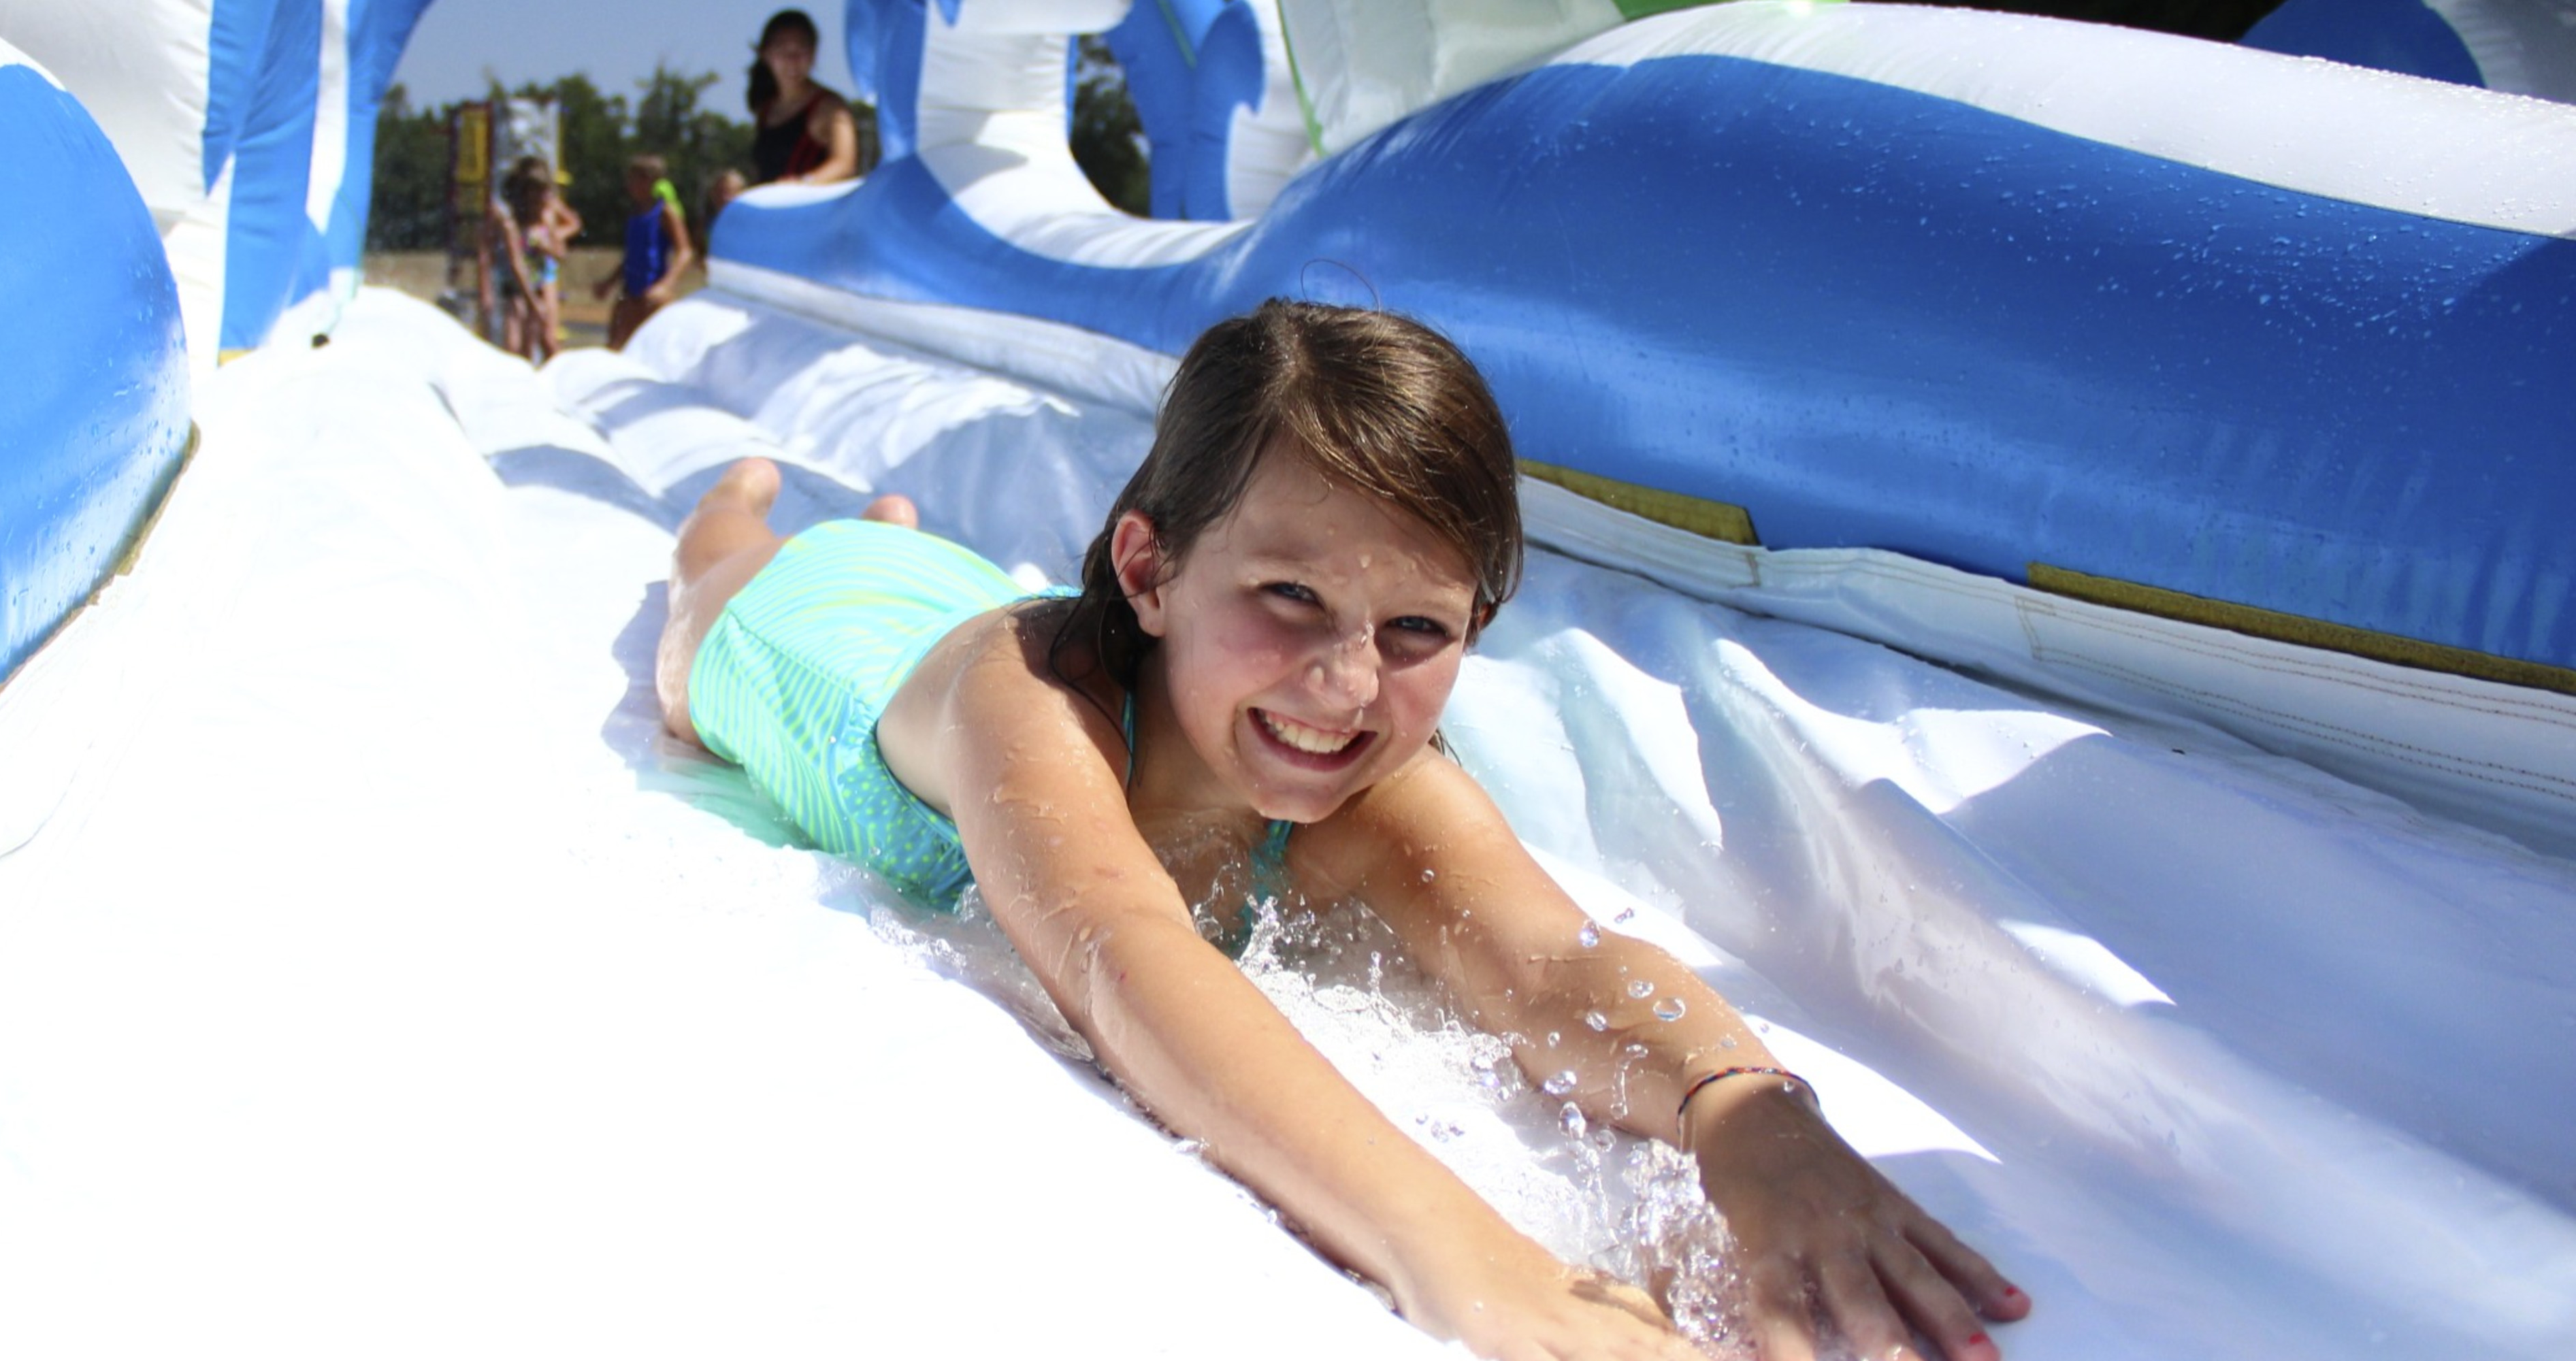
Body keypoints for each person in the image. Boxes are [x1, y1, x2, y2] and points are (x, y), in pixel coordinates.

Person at [654, 301, 2030, 1361]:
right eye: (1290, 597)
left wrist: (1740, 1108)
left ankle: (898, 531)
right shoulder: (1030, 704)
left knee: (928, 567)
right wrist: (1458, 1249)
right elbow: (1125, 951)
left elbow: (1552, 964)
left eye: (1416, 627)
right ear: (1149, 569)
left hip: (972, 610)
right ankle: (746, 510)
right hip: (808, 643)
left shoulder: (1367, 775)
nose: (1347, 685)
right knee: (713, 594)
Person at [592, 154, 695, 350]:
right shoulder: (635, 213)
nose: (628, 185)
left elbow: (685, 252)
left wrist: (666, 285)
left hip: (654, 294)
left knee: (656, 349)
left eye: (633, 179)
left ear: (648, 180)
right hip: (630, 293)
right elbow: (631, 256)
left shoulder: (665, 211)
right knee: (616, 347)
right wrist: (609, 282)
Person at [745, 9, 857, 185]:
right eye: (782, 50)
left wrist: (801, 185)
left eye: (802, 50)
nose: (793, 60)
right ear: (766, 55)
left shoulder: (831, 108)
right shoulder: (766, 110)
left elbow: (844, 164)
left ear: (813, 54)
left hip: (814, 201)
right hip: (775, 201)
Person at [500, 156, 582, 362]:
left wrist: (551, 243)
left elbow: (562, 250)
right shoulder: (514, 222)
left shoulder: (548, 213)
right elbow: (516, 263)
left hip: (543, 276)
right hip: (520, 282)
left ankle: (556, 371)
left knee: (547, 337)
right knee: (515, 343)